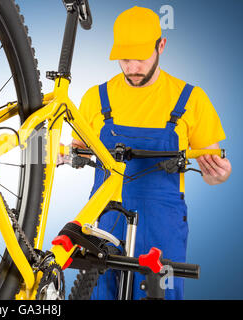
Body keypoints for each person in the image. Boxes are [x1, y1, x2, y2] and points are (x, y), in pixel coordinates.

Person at [70, 6, 232, 300]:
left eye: (141, 59)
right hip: (105, 220)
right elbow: (77, 153)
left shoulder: (190, 99)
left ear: (162, 45)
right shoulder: (95, 98)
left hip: (162, 223)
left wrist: (220, 174)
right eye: (125, 59)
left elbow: (213, 169)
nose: (132, 68)